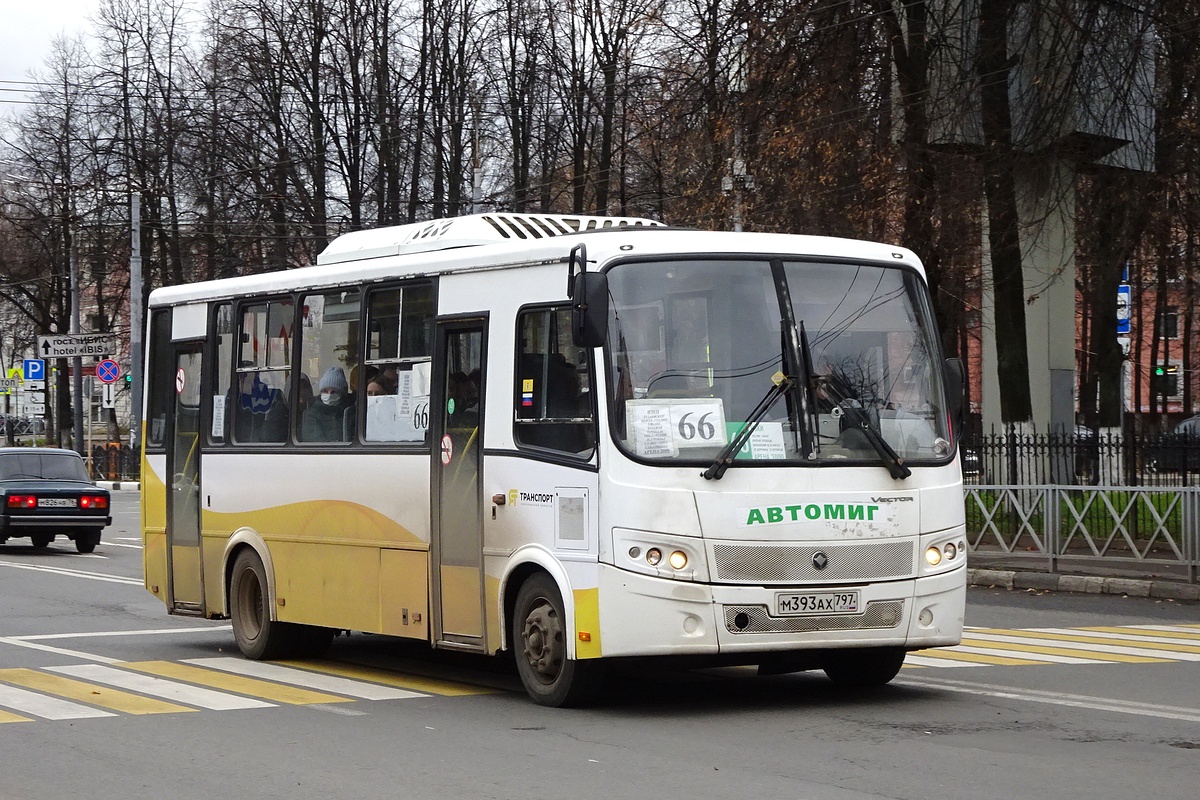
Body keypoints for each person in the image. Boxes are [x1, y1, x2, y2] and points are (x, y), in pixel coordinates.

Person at [303, 366, 353, 441]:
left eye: (334, 392)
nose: (329, 395)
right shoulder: (311, 413)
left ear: (343, 393)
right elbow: (314, 440)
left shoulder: (351, 412)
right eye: (325, 391)